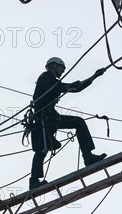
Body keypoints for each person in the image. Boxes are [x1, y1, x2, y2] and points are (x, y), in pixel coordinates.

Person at [29, 57, 107, 190]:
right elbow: (54, 88)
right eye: (61, 69)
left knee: (78, 123)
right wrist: (70, 85)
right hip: (44, 119)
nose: (63, 71)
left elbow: (73, 89)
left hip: (51, 118)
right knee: (43, 148)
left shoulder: (53, 81)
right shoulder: (46, 76)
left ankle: (88, 157)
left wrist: (93, 77)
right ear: (54, 66)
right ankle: (34, 180)